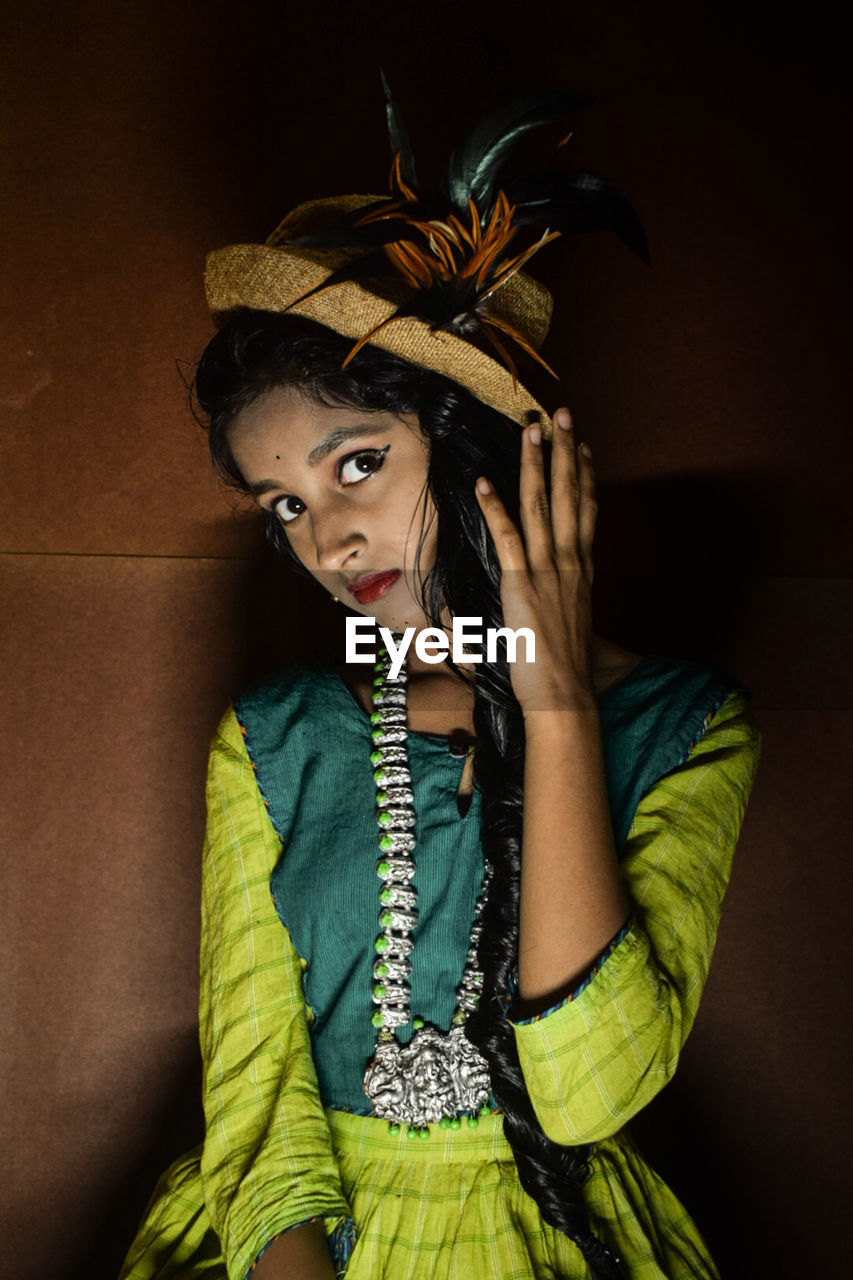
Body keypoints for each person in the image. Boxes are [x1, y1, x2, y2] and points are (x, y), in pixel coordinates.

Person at [119, 88, 761, 1280]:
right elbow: (256, 1106)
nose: (328, 541)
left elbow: (583, 1095)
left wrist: (557, 701)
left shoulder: (685, 725)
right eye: (288, 507)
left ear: (469, 440)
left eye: (357, 463)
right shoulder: (277, 736)